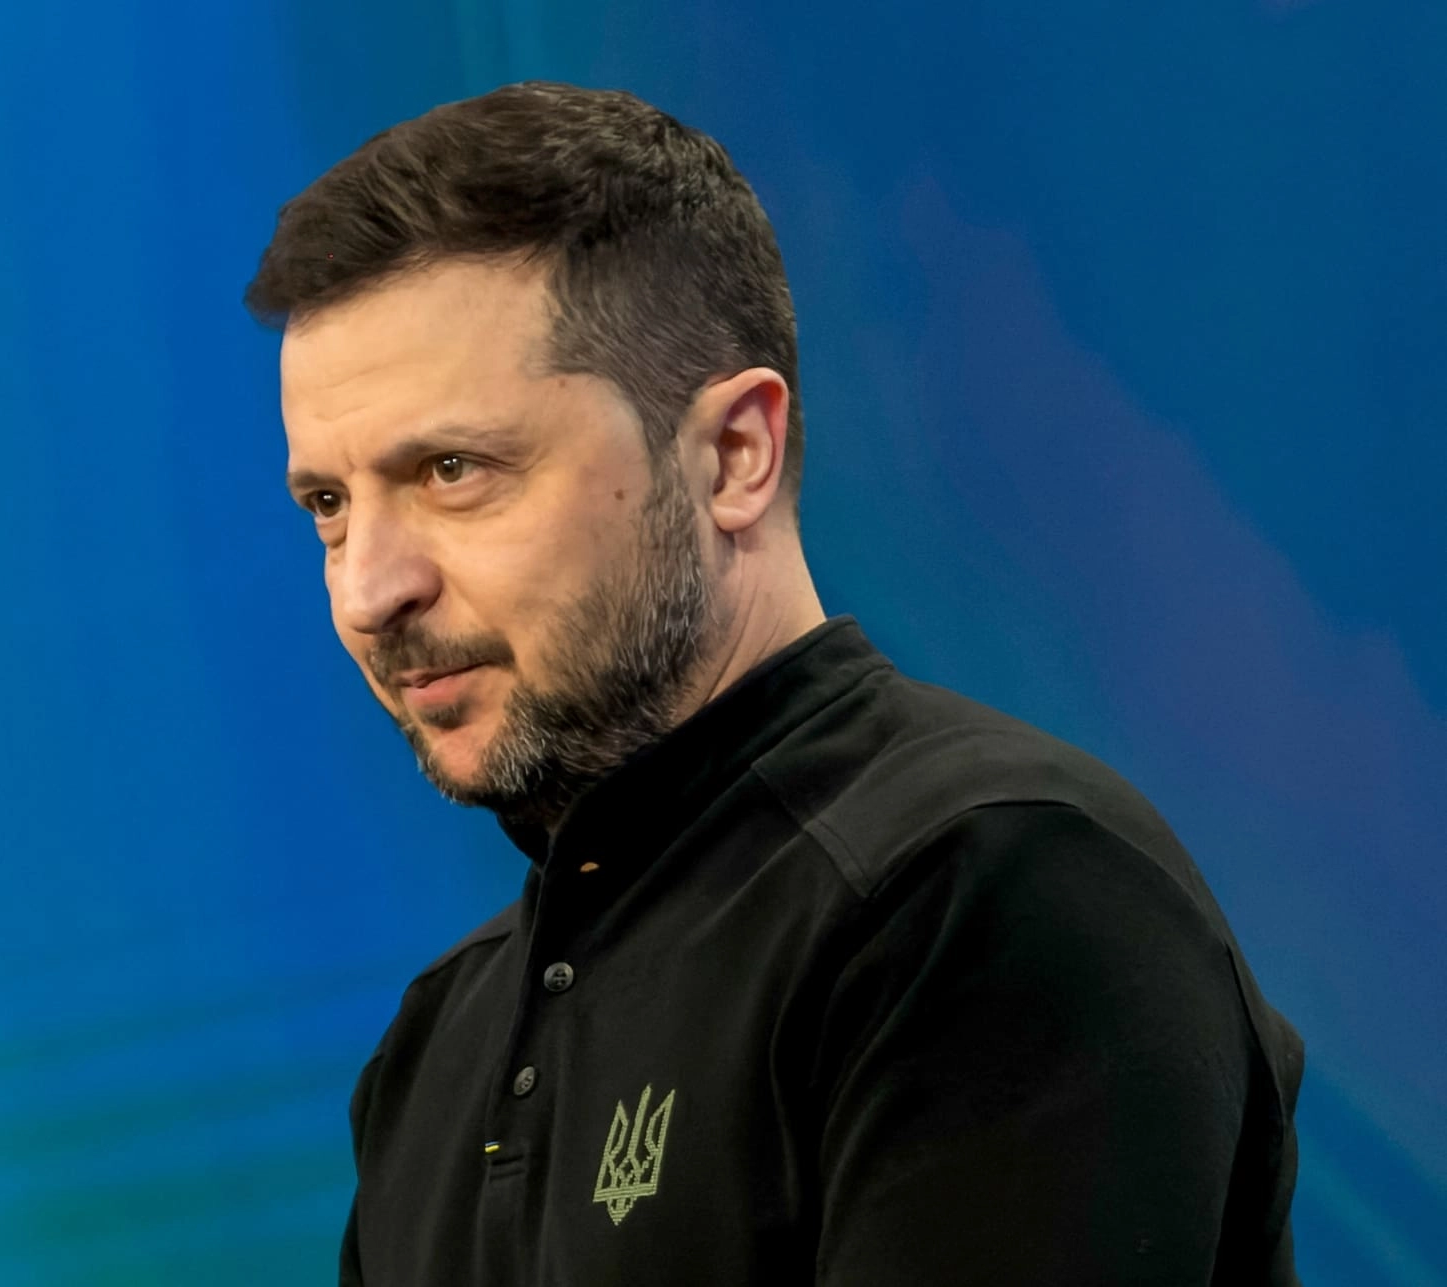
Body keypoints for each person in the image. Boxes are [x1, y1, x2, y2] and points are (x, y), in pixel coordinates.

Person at [244, 80, 1304, 1287]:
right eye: (327, 504)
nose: (368, 590)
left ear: (733, 454)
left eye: (450, 470)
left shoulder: (989, 885)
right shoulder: (439, 1043)